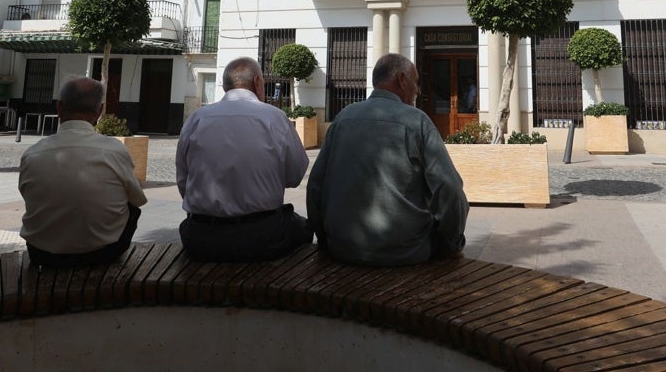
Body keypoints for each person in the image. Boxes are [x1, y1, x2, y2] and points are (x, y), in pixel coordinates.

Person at [307, 52, 468, 266]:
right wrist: (452, 244)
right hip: (405, 251)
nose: (418, 90)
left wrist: (326, 241)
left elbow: (315, 187)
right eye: (416, 82)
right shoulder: (417, 121)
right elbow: (450, 190)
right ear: (401, 80)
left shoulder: (343, 118)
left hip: (342, 247)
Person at [175, 56, 313, 262]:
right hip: (262, 235)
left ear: (224, 86)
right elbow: (294, 176)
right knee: (304, 228)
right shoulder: (275, 118)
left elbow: (183, 181)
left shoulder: (196, 118)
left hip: (201, 236)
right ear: (257, 82)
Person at [18, 77, 147, 268]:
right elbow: (137, 199)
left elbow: (27, 194)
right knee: (130, 207)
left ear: (59, 107)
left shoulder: (32, 153)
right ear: (100, 110)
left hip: (42, 254)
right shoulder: (114, 150)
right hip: (102, 253)